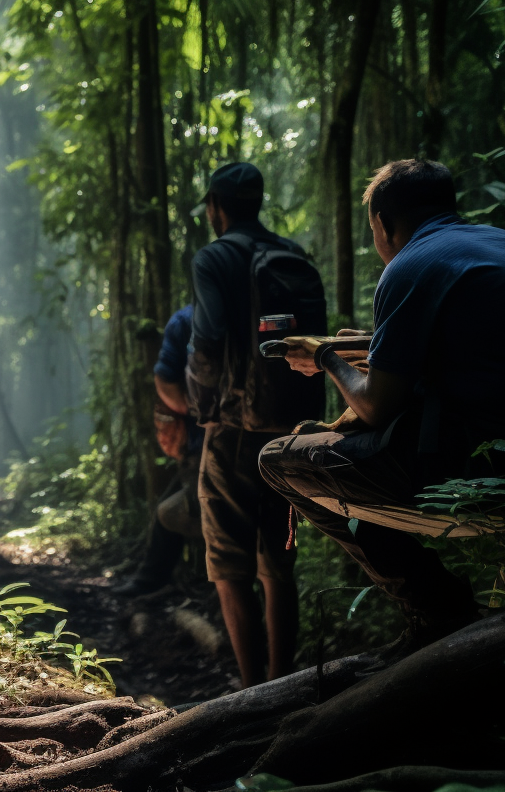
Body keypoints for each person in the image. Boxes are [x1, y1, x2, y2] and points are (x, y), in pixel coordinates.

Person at [262, 159, 505, 649]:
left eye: (373, 229)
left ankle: (438, 612)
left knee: (278, 461)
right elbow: (466, 350)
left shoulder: (410, 265)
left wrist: (325, 355)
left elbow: (375, 408)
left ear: (384, 224)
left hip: (467, 467)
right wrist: (364, 347)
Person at [187, 162, 327, 688]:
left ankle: (251, 694)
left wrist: (204, 409)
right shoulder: (290, 256)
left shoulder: (214, 257)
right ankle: (283, 686)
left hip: (232, 431)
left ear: (217, 207)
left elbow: (207, 337)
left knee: (228, 564)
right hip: (290, 432)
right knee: (278, 564)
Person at [112, 304, 208, 596]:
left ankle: (212, 588)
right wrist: (197, 410)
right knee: (167, 511)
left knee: (174, 512)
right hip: (200, 450)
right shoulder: (187, 320)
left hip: (218, 451)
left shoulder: (190, 319)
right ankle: (152, 580)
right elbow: (165, 377)